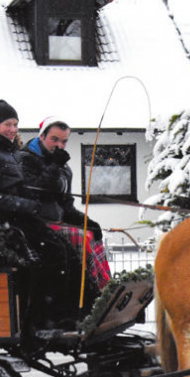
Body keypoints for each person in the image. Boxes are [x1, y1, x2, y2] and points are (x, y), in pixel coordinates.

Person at [0, 100, 91, 330]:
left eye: (15, 124)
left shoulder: (8, 153)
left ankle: (70, 314)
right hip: (1, 222)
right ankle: (38, 322)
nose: (13, 129)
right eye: (7, 124)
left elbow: (19, 187)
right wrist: (25, 205)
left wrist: (34, 200)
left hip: (20, 217)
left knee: (68, 253)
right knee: (50, 257)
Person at [18, 116, 111, 291]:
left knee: (93, 234)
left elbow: (66, 203)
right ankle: (86, 292)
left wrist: (85, 221)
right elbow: (37, 190)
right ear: (42, 136)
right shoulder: (25, 159)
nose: (59, 145)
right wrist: (54, 166)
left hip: (57, 220)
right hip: (35, 224)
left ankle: (104, 287)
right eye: (54, 139)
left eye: (64, 141)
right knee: (81, 238)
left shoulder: (63, 167)